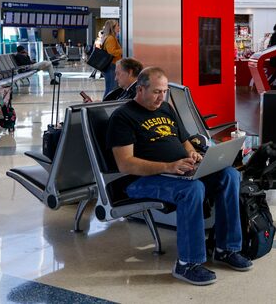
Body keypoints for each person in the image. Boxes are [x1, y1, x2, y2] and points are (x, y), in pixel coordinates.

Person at [107, 67, 252, 286]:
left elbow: (184, 140)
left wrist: (192, 153)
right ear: (140, 88)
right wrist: (169, 166)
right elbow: (125, 164)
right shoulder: (123, 117)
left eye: (164, 91)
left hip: (177, 171)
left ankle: (226, 248)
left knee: (229, 175)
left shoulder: (165, 109)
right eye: (156, 92)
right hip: (140, 180)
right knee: (192, 189)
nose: (161, 97)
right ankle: (187, 264)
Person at [97, 20, 122, 97]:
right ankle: (106, 105)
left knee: (110, 88)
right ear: (113, 27)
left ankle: (106, 104)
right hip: (111, 65)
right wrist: (123, 50)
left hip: (109, 65)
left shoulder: (108, 37)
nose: (119, 27)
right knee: (111, 89)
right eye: (117, 26)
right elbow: (112, 52)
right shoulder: (111, 38)